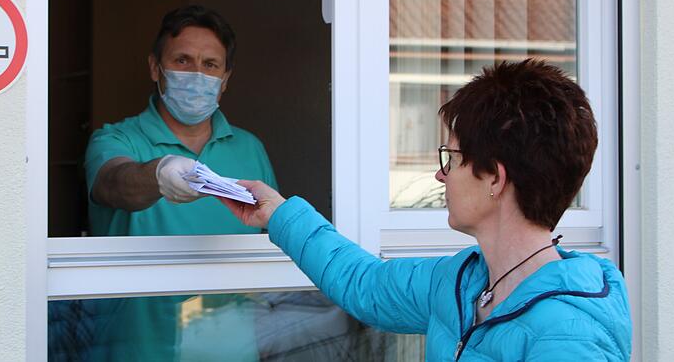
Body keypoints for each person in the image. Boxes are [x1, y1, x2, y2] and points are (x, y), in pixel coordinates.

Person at [218, 60, 632, 361]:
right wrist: (277, 213)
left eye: (451, 158)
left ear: (494, 178)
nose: (440, 174)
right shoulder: (462, 281)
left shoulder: (574, 336)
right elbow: (365, 284)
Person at [79, 5, 277, 361]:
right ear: (155, 68)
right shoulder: (116, 140)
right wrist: (158, 173)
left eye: (210, 65)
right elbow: (115, 182)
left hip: (233, 350)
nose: (197, 74)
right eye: (182, 60)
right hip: (138, 351)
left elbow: (273, 242)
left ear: (225, 79)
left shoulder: (250, 149)